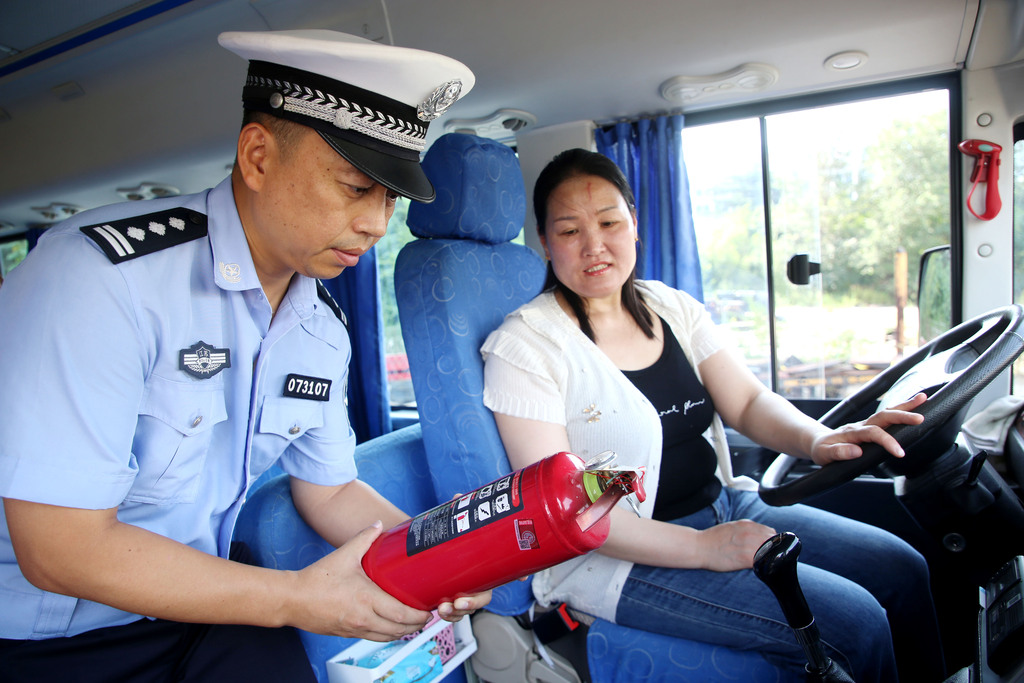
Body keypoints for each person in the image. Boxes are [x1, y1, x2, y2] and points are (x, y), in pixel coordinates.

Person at [0, 30, 491, 682]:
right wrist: (296, 598)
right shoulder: (101, 278)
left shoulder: (322, 329)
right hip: (55, 637)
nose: (378, 223)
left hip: (203, 605)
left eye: (390, 198)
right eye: (354, 186)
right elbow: (60, 549)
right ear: (258, 156)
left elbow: (332, 488)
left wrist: (444, 556)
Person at [481, 148, 945, 682]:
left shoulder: (672, 308)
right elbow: (572, 506)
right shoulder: (525, 347)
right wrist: (702, 548)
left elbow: (747, 401)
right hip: (620, 558)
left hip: (723, 503)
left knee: (902, 568)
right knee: (856, 623)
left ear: (635, 224)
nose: (594, 245)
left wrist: (819, 440)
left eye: (610, 222)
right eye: (568, 231)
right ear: (544, 241)